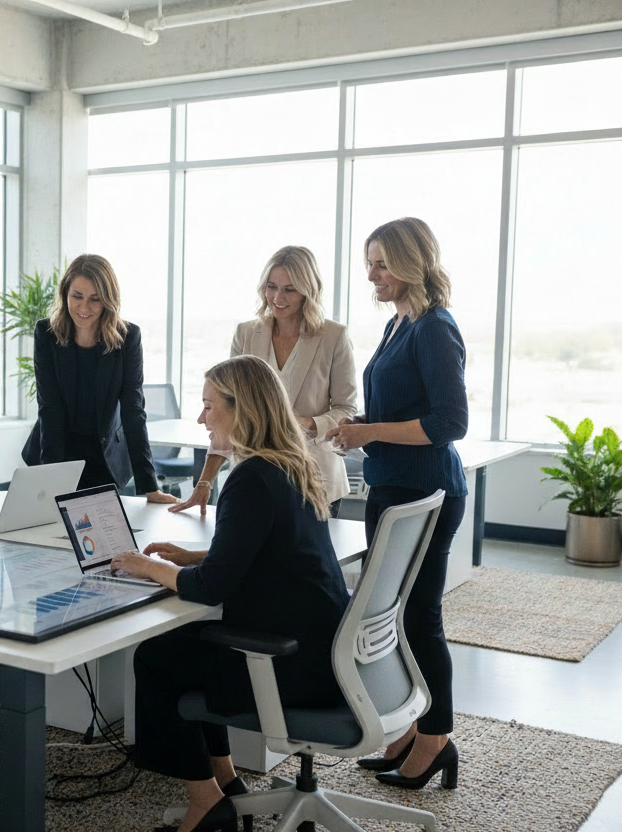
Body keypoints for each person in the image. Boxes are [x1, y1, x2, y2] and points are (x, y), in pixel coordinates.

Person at [111, 355, 348, 832]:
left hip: (288, 663)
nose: (201, 418)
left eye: (208, 406)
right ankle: (226, 782)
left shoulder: (250, 479)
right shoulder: (289, 465)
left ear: (244, 410)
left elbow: (212, 589)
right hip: (324, 651)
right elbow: (267, 553)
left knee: (156, 659)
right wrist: (190, 557)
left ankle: (205, 801)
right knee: (189, 648)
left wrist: (147, 566)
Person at [325, 217, 467, 790]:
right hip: (393, 487)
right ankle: (411, 730)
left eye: (381, 263)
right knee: (396, 617)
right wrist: (364, 427)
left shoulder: (434, 327)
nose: (372, 274)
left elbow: (449, 423)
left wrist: (372, 433)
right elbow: (399, 409)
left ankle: (436, 739)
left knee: (420, 617)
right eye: (370, 262)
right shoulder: (397, 325)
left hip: (424, 493)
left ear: (411, 263)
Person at [170, 246, 356, 517]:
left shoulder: (333, 336)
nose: (278, 298)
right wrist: (205, 482)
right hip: (255, 478)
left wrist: (305, 424)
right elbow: (227, 409)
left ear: (308, 291)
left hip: (315, 478)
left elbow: (346, 409)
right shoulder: (247, 334)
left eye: (289, 289)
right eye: (272, 287)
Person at [22, 254, 177, 504]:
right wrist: (49, 477)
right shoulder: (47, 333)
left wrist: (150, 486)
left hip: (103, 458)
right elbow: (49, 408)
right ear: (65, 294)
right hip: (57, 452)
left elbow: (133, 411)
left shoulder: (127, 338)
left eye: (95, 299)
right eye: (77, 297)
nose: (84, 308)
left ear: (108, 300)